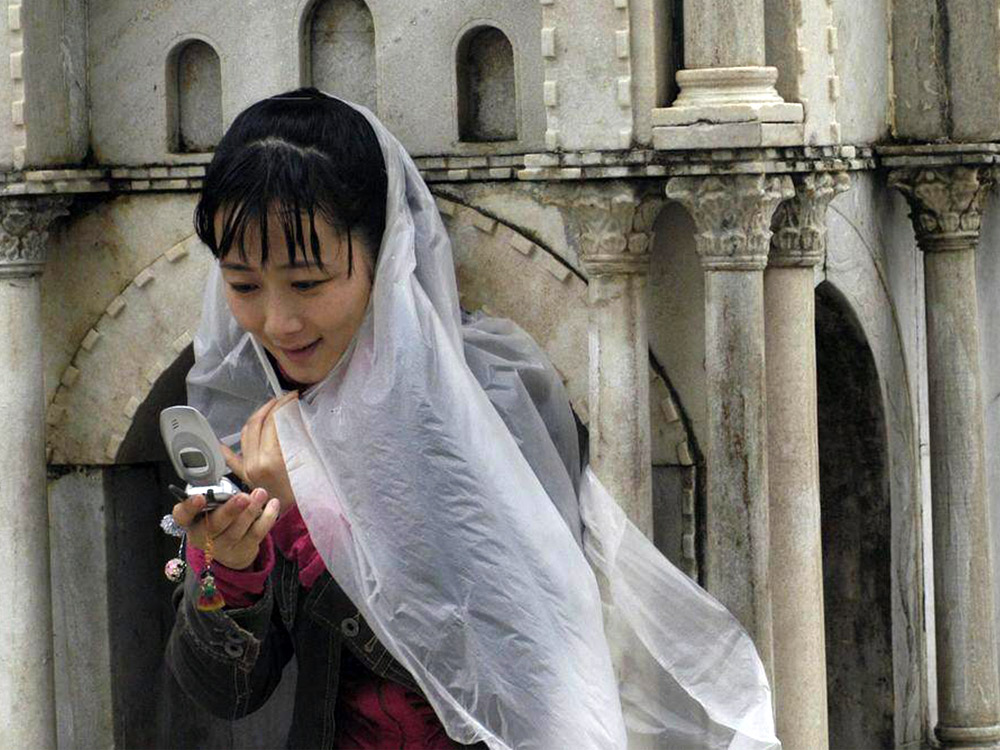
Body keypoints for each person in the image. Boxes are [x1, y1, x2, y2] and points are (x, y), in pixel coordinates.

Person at [165, 87, 780, 750]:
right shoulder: (263, 427)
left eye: (308, 283)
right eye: (244, 285)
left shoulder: (492, 391)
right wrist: (230, 561)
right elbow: (226, 690)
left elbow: (524, 655)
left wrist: (321, 509)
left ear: (384, 252)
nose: (277, 322)